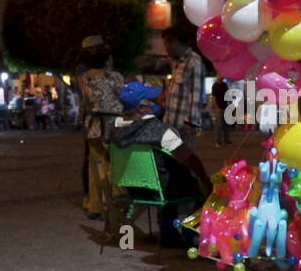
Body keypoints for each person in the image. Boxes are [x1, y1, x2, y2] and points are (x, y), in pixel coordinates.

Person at [113, 82, 211, 247]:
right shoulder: (162, 132)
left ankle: (169, 234)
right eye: (153, 101)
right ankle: (191, 235)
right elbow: (190, 158)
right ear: (142, 108)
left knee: (166, 176)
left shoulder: (114, 132)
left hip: (133, 188)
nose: (159, 103)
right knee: (191, 184)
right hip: (162, 189)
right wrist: (205, 181)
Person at [78, 36, 125, 220]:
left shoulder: (84, 78)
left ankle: (95, 206)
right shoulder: (114, 77)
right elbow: (124, 97)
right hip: (113, 126)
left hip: (93, 126)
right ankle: (114, 204)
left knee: (95, 167)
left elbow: (86, 102)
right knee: (113, 165)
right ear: (107, 60)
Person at [162, 27, 206, 152]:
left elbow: (195, 94)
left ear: (175, 42)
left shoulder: (193, 61)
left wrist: (191, 122)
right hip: (171, 123)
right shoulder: (176, 62)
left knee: (184, 163)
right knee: (172, 161)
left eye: (166, 45)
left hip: (184, 126)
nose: (166, 50)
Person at [211, 77, 232, 147]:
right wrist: (216, 108)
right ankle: (218, 142)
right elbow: (213, 98)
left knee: (226, 126)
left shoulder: (225, 85)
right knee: (218, 126)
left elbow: (228, 95)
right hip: (219, 108)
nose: (222, 77)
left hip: (225, 107)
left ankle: (227, 141)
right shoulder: (215, 86)